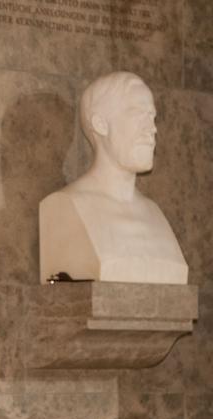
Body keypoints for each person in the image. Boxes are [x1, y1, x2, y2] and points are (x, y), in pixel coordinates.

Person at [39, 71, 188, 284]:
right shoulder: (64, 206)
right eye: (138, 114)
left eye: (152, 117)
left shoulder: (154, 213)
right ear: (101, 124)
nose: (152, 129)